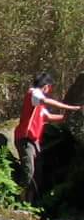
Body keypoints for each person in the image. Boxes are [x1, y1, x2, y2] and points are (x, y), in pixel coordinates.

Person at [14, 72, 80, 201]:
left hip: (33, 141)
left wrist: (67, 116)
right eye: (49, 88)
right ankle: (17, 199)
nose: (48, 91)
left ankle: (29, 202)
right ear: (46, 86)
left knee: (36, 174)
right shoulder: (34, 93)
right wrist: (73, 108)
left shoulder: (38, 104)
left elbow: (50, 117)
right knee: (29, 171)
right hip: (26, 139)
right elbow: (46, 100)